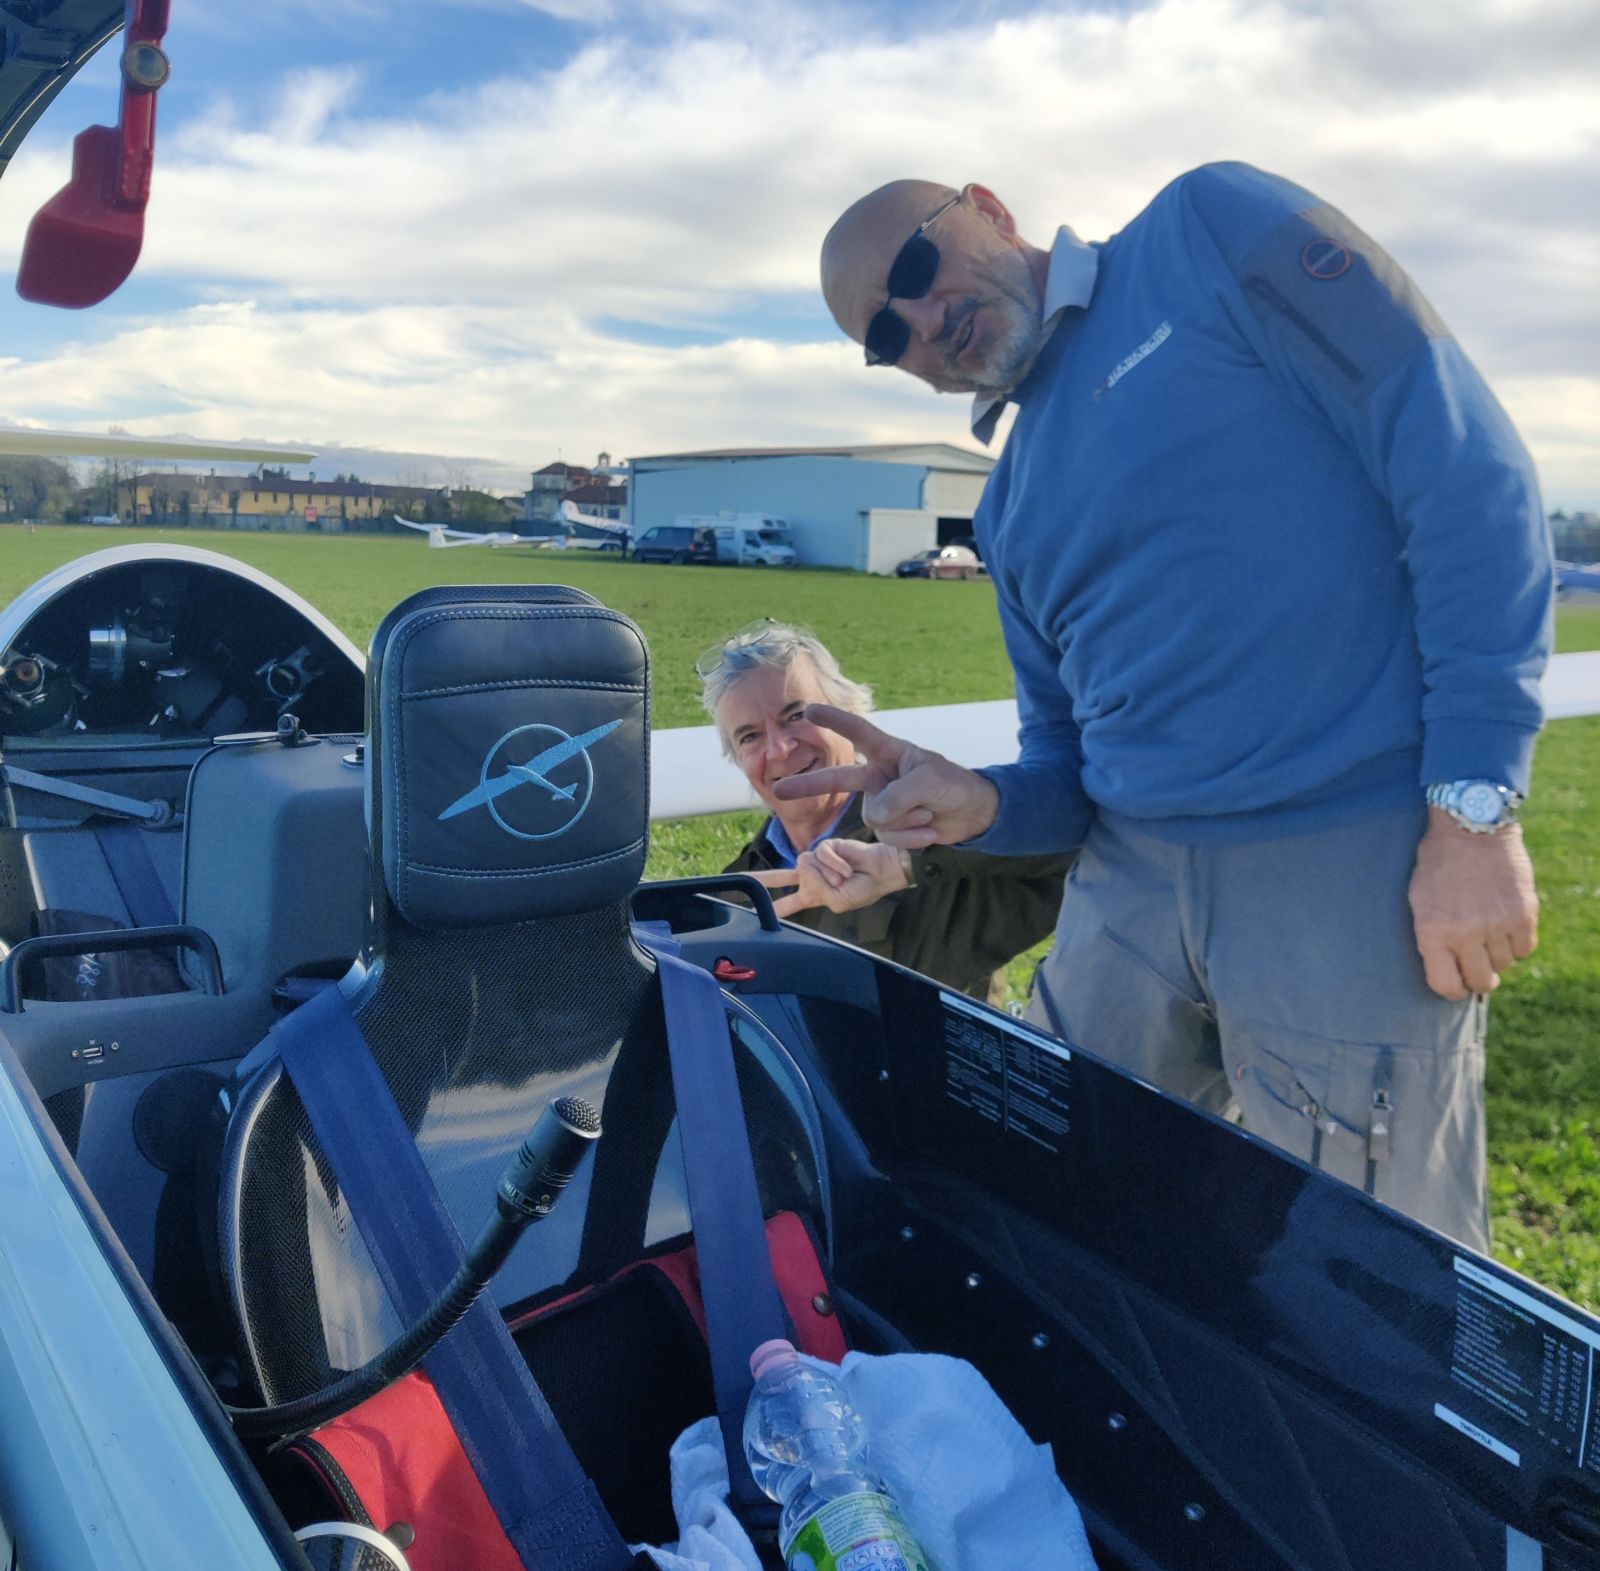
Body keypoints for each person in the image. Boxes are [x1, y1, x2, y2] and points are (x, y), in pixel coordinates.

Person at [790, 163, 1553, 1250]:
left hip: (1340, 860)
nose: (920, 319)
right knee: (1062, 1211)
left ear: (987, 208)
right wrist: (981, 802)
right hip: (1129, 892)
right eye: (882, 333)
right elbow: (1067, 761)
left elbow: (1466, 474)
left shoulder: (1207, 231)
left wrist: (1473, 815)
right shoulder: (1005, 509)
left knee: (1379, 1274)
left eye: (916, 265)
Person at [698, 619, 1068, 1003]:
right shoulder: (733, 889)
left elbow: (1075, 850)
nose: (779, 749)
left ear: (849, 712)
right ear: (737, 759)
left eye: (796, 715)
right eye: (750, 736)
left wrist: (907, 863)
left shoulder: (941, 841)